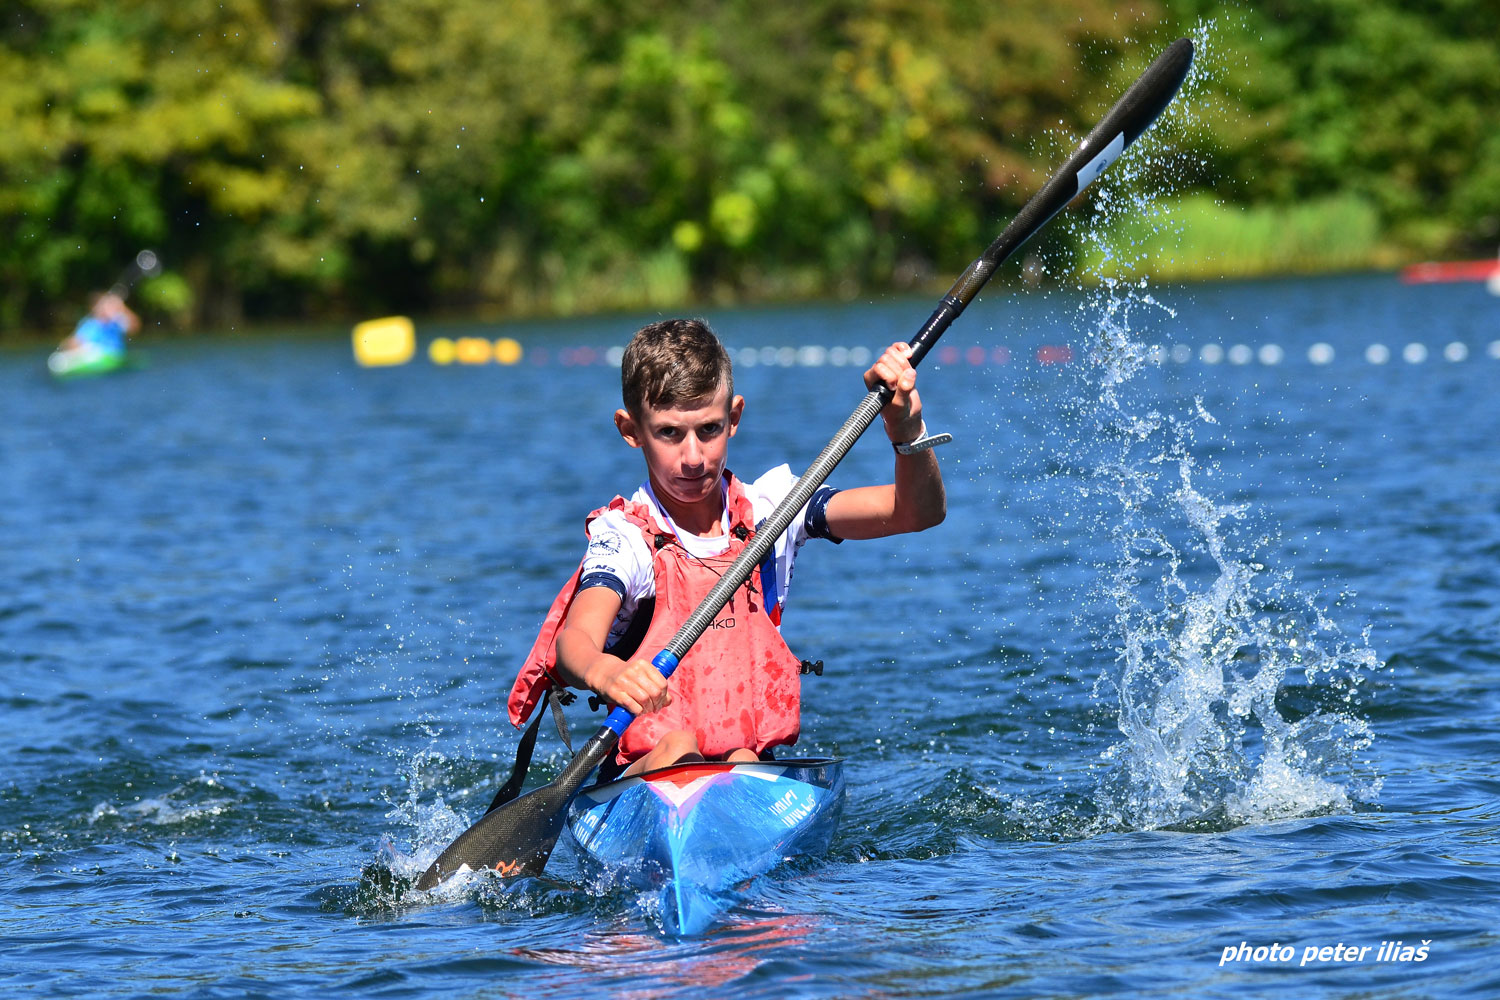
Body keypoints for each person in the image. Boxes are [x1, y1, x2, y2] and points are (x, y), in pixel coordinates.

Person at [507, 318, 946, 780]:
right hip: (649, 774)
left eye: (709, 429)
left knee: (743, 758)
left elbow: (916, 512)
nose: (693, 457)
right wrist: (605, 673)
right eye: (670, 433)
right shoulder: (625, 539)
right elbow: (574, 641)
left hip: (748, 774)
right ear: (631, 430)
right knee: (679, 746)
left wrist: (907, 428)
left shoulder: (775, 509)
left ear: (734, 418)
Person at [57, 291, 140, 357]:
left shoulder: (116, 321)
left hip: (114, 355)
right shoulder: (89, 324)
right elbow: (77, 341)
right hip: (94, 355)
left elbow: (135, 327)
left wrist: (122, 308)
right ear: (94, 308)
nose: (104, 309)